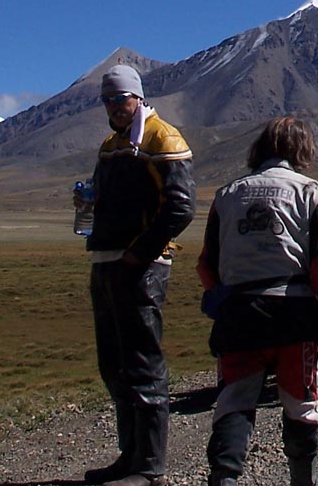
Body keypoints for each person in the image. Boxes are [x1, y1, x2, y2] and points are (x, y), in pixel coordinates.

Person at [197, 117, 318, 486]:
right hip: (294, 316)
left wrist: (227, 297)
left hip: (239, 316)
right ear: (303, 150)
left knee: (234, 402)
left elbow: (208, 263)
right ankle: (304, 480)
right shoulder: (317, 195)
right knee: (300, 403)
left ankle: (224, 479)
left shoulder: (227, 196)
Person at [84, 65, 196, 486]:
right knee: (113, 364)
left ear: (138, 97)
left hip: (143, 266)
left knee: (143, 362)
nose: (114, 108)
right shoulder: (112, 144)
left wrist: (139, 254)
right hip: (107, 259)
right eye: (108, 101)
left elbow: (181, 207)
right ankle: (129, 456)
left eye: (121, 99)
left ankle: (150, 466)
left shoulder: (162, 138)